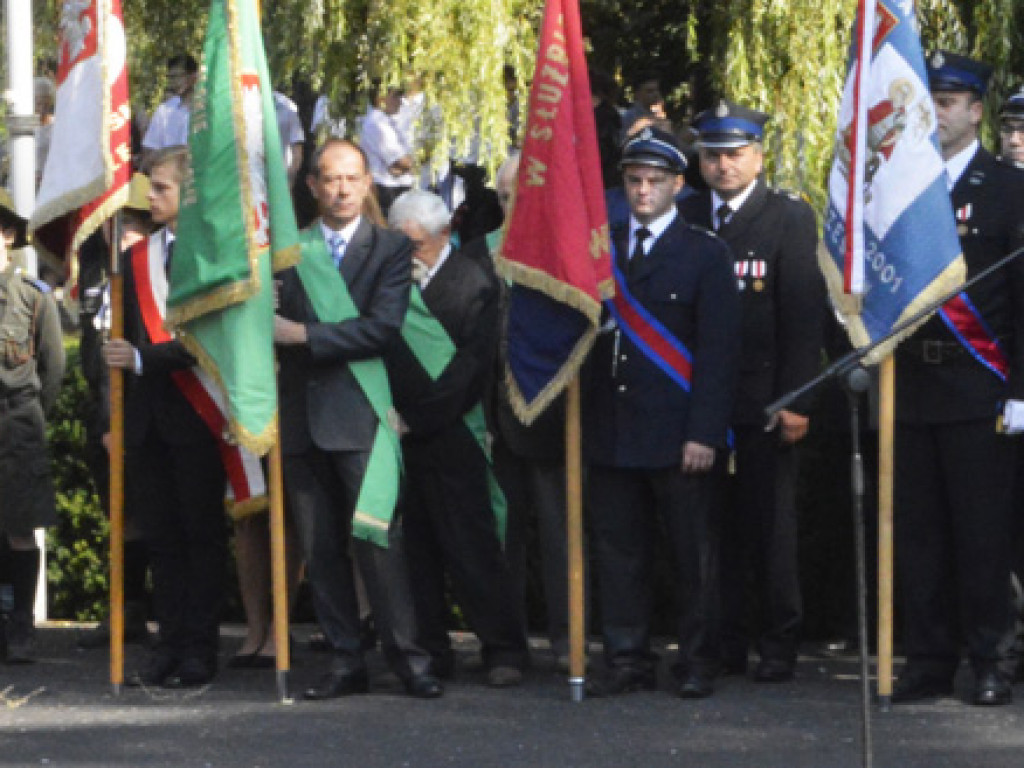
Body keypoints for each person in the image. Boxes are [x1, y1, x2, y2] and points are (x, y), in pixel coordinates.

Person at [274, 138, 441, 700]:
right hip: (300, 418)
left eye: (352, 179)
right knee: (319, 551)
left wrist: (305, 336)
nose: (341, 190)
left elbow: (382, 327)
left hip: (360, 414)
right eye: (330, 180)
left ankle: (408, 659)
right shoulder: (289, 250)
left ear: (367, 183)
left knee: (378, 542)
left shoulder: (391, 249)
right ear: (313, 186)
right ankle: (346, 661)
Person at [583, 128, 740, 698]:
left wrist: (704, 433)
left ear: (679, 184)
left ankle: (698, 659)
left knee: (690, 554)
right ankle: (627, 658)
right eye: (633, 181)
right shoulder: (600, 249)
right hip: (613, 429)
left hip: (678, 434)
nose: (642, 191)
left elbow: (719, 354)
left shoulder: (704, 253)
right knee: (619, 552)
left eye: (653, 181)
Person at [891, 52, 1024, 706]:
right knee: (918, 536)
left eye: (948, 101)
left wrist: (1022, 389)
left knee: (981, 534)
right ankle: (927, 660)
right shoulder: (896, 187)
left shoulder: (1009, 189)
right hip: (911, 387)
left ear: (976, 111)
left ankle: (990, 659)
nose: (937, 112)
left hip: (981, 389)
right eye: (930, 100)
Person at [679, 100, 825, 682]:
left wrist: (797, 400)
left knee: (770, 528)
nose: (722, 166)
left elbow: (802, 316)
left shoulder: (787, 217)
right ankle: (721, 641)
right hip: (698, 402)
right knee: (708, 530)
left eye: (735, 154)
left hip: (765, 399)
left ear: (759, 157)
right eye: (712, 155)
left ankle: (778, 641)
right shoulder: (686, 213)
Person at [386, 189, 529, 686]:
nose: (407, 256)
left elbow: (470, 367)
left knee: (471, 547)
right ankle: (429, 649)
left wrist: (420, 418)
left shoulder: (473, 281)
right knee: (414, 550)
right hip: (395, 432)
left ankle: (503, 648)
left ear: (444, 235)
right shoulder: (387, 280)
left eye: (416, 246)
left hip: (452, 432)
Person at [103, 147, 228, 687]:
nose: (150, 197)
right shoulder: (135, 260)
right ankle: (168, 644)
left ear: (189, 193)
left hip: (198, 415)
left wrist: (138, 358)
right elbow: (120, 334)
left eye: (160, 188)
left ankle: (200, 649)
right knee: (162, 539)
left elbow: (213, 340)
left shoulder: (216, 256)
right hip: (148, 420)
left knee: (201, 536)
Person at [468, 152, 577, 671]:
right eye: (505, 196)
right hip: (492, 421)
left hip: (555, 420)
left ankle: (567, 639)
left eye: (523, 195)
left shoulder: (565, 258)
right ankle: (505, 646)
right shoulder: (477, 257)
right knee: (500, 537)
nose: (513, 205)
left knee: (561, 534)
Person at [76, 173, 156, 650]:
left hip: (139, 411)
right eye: (109, 221)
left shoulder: (147, 269)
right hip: (99, 408)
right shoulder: (94, 272)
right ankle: (120, 610)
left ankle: (137, 611)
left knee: (142, 517)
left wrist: (117, 421)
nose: (115, 230)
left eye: (126, 222)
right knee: (115, 515)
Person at [0, 190, 65, 663]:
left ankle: (21, 622)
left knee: (21, 528)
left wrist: (28, 416)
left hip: (16, 422)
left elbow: (53, 370)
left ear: (6, 235)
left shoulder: (32, 299)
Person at [359, 84, 415, 216]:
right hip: (386, 192)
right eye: (395, 96)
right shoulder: (377, 122)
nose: (400, 101)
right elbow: (401, 161)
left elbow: (400, 165)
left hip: (395, 189)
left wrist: (404, 165)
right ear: (380, 98)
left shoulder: (386, 120)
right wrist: (413, 164)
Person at [141, 55, 198, 166]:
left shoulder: (207, 110)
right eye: (170, 78)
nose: (173, 82)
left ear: (193, 77)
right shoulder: (164, 110)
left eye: (177, 77)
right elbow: (149, 151)